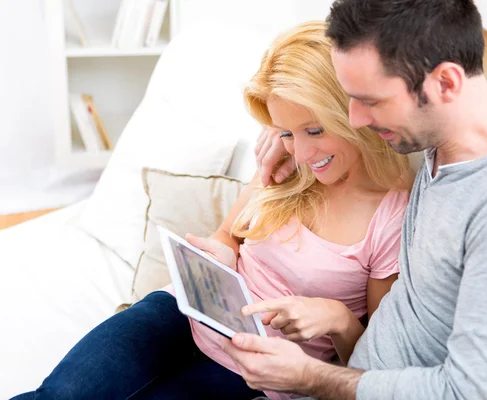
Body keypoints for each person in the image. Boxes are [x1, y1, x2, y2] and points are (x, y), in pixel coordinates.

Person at [12, 21, 412, 400]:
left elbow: (370, 365)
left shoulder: (390, 215)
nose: (303, 152)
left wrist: (339, 320)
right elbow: (228, 234)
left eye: (315, 130)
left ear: (353, 110)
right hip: (181, 312)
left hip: (248, 367)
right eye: (288, 132)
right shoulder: (287, 163)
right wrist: (222, 251)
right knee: (59, 395)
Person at [220, 1, 487, 399]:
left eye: (371, 102)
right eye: (351, 98)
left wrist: (309, 377)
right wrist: (291, 136)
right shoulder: (455, 123)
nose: (356, 119)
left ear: (446, 84)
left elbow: (471, 394)